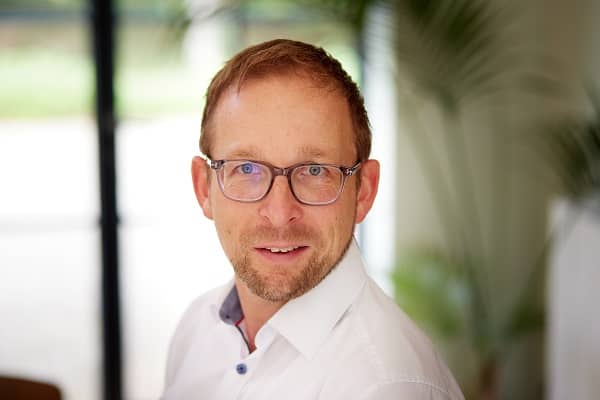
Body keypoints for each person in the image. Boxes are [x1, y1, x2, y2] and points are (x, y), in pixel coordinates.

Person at [161, 39, 464, 400]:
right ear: (204, 188)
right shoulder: (197, 327)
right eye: (246, 168)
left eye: (315, 171)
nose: (279, 213)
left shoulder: (385, 386)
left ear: (363, 191)